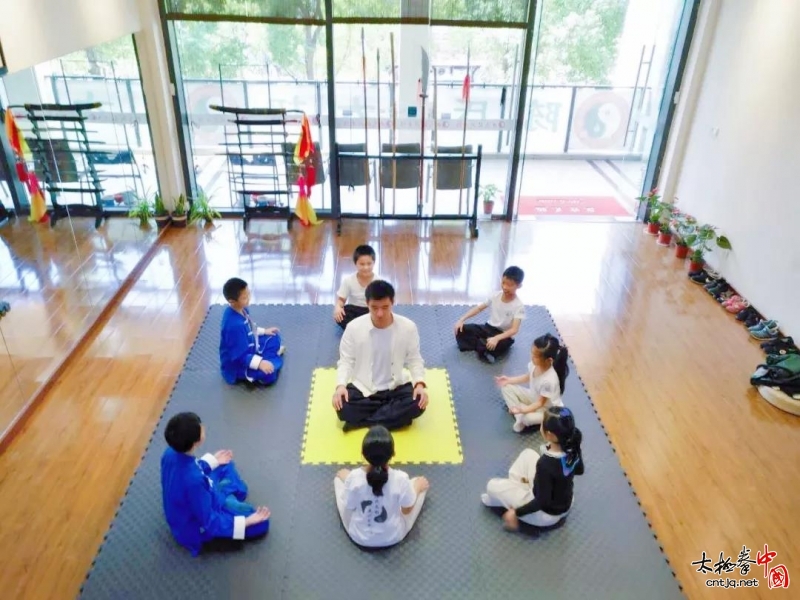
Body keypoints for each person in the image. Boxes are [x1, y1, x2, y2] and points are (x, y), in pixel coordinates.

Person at [160, 412, 271, 556]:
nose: (203, 427)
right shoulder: (194, 481)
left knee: (224, 463)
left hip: (191, 502)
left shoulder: (170, 452)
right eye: (201, 427)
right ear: (197, 441)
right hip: (194, 528)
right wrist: (246, 522)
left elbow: (191, 468)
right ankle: (228, 499)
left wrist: (213, 461)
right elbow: (210, 522)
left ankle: (227, 496)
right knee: (261, 524)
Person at [332, 279, 428, 431]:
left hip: (396, 387)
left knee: (419, 403)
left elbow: (414, 359)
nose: (380, 313)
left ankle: (361, 422)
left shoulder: (408, 327)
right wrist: (341, 386)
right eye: (374, 308)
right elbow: (346, 360)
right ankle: (394, 419)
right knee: (342, 407)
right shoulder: (353, 327)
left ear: (393, 302)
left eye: (385, 307)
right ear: (367, 303)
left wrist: (419, 384)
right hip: (364, 388)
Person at [481, 406, 584, 530]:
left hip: (546, 515)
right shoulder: (572, 444)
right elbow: (579, 470)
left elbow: (542, 502)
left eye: (542, 424)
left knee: (491, 486)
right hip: (565, 502)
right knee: (528, 454)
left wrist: (515, 513)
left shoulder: (545, 464)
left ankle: (515, 495)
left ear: (549, 435)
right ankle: (517, 490)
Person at [334, 426, 430, 548]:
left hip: (359, 537)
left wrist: (348, 479)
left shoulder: (354, 477)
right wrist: (416, 487)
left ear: (363, 454)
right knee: (417, 482)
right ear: (393, 454)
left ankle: (344, 479)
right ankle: (416, 486)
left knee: (339, 478)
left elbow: (350, 506)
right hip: (393, 536)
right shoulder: (400, 479)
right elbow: (406, 510)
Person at [495, 333, 569, 433]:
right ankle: (519, 415)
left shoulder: (549, 380)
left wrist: (522, 410)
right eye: (532, 353)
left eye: (535, 356)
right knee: (506, 387)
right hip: (534, 397)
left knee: (527, 419)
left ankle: (520, 415)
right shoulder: (535, 365)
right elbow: (527, 377)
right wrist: (508, 380)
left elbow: (540, 403)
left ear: (549, 360)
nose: (531, 357)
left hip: (546, 409)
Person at [219, 277, 285, 385]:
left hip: (249, 347)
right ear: (232, 301)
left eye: (248, 294)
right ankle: (268, 359)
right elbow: (239, 357)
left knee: (274, 336)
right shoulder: (234, 326)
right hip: (238, 364)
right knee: (269, 375)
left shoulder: (242, 309)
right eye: (245, 297)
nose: (249, 298)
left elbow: (250, 328)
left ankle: (269, 358)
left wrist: (264, 331)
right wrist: (260, 364)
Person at [454, 266, 526, 362]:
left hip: (503, 335)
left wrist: (496, 338)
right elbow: (479, 308)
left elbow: (514, 330)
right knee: (460, 330)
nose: (505, 287)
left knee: (499, 345)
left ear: (519, 286)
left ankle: (481, 345)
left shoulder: (519, 306)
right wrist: (461, 320)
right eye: (503, 283)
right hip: (488, 327)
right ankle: (482, 346)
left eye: (510, 285)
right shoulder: (495, 295)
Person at [334, 244, 380, 330]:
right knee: (340, 316)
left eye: (369, 264)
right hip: (354, 309)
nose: (366, 267)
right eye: (362, 264)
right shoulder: (348, 280)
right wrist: (337, 308)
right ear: (356, 264)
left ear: (374, 263)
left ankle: (357, 328)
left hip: (370, 310)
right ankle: (362, 328)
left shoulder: (378, 282)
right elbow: (341, 300)